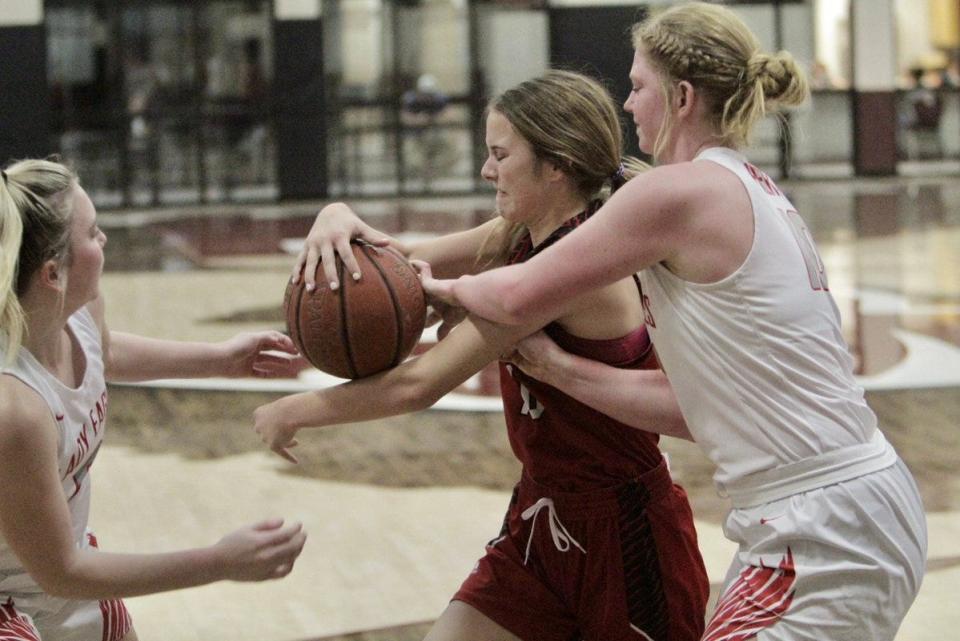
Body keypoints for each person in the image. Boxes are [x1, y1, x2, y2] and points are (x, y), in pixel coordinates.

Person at [420, 4, 928, 640]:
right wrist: (559, 368)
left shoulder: (678, 193)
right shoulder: (741, 187)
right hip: (833, 510)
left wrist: (430, 290)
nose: (628, 105)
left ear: (682, 96)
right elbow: (695, 407)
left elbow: (519, 292)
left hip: (822, 523)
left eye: (637, 86)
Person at [257, 70, 709, 641]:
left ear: (555, 164)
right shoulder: (520, 230)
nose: (486, 170)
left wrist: (293, 409)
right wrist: (336, 216)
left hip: (624, 535)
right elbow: (401, 266)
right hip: (542, 515)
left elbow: (415, 386)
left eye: (500, 154)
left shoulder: (568, 269)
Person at [0, 158, 307, 641]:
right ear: (53, 273)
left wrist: (220, 358)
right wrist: (220, 562)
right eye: (93, 232)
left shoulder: (75, 310)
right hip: (15, 601)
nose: (104, 241)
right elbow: (60, 570)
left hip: (65, 580)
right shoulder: (15, 407)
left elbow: (107, 353)